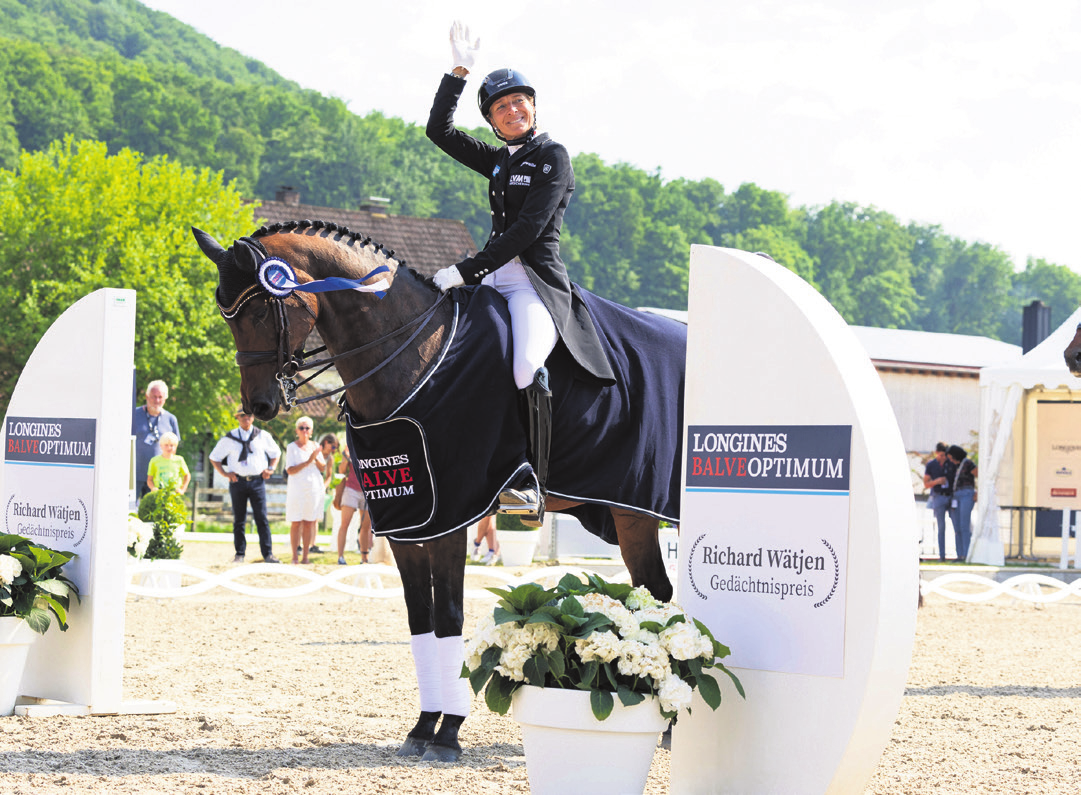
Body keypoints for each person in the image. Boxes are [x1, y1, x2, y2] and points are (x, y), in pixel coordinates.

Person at [425, 22, 615, 527]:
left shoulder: (553, 156)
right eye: (501, 107)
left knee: (526, 367)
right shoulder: (498, 162)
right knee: (445, 360)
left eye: (519, 102)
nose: (513, 111)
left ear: (533, 105)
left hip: (532, 284)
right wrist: (458, 74)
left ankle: (530, 478)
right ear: (492, 120)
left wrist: (465, 270)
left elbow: (530, 229)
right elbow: (438, 132)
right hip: (490, 280)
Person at [210, 409, 282, 564]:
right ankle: (239, 554)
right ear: (237, 418)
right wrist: (225, 473)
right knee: (239, 520)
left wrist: (271, 468)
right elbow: (214, 457)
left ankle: (268, 554)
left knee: (261, 518)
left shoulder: (262, 436)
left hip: (257, 482)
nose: (246, 418)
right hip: (238, 482)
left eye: (249, 415)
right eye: (242, 415)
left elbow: (276, 453)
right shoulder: (230, 438)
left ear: (253, 417)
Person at [285, 416, 326, 564]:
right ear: (296, 430)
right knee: (296, 522)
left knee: (309, 521)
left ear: (311, 430)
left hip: (313, 488)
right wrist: (308, 460)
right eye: (301, 428)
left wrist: (315, 457)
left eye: (307, 428)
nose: (304, 431)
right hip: (297, 489)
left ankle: (306, 557)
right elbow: (290, 469)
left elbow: (323, 467)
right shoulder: (291, 447)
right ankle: (295, 556)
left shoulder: (315, 446)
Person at [132, 379, 181, 498]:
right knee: (130, 512)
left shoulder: (171, 419)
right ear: (147, 396)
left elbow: (175, 449)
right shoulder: (134, 415)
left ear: (165, 399)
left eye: (160, 397)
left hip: (158, 478)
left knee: (153, 513)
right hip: (135, 474)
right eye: (154, 397)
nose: (157, 400)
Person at [333, 453, 373, 565]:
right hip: (351, 489)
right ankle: (340, 557)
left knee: (365, 527)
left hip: (367, 490)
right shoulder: (351, 447)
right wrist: (346, 456)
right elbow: (341, 470)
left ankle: (364, 559)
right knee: (345, 523)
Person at [923, 442, 954, 561]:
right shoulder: (931, 465)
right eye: (941, 455)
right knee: (941, 527)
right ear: (936, 453)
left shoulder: (950, 464)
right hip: (938, 496)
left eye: (944, 455)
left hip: (950, 496)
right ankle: (942, 556)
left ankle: (961, 554)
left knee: (957, 526)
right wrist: (936, 482)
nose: (943, 458)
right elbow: (926, 484)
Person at [947, 445, 977, 562]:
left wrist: (977, 492)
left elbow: (980, 475)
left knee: (965, 525)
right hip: (956, 495)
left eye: (951, 457)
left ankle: (966, 554)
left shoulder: (968, 463)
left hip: (966, 495)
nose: (950, 460)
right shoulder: (955, 466)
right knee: (957, 527)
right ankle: (959, 555)